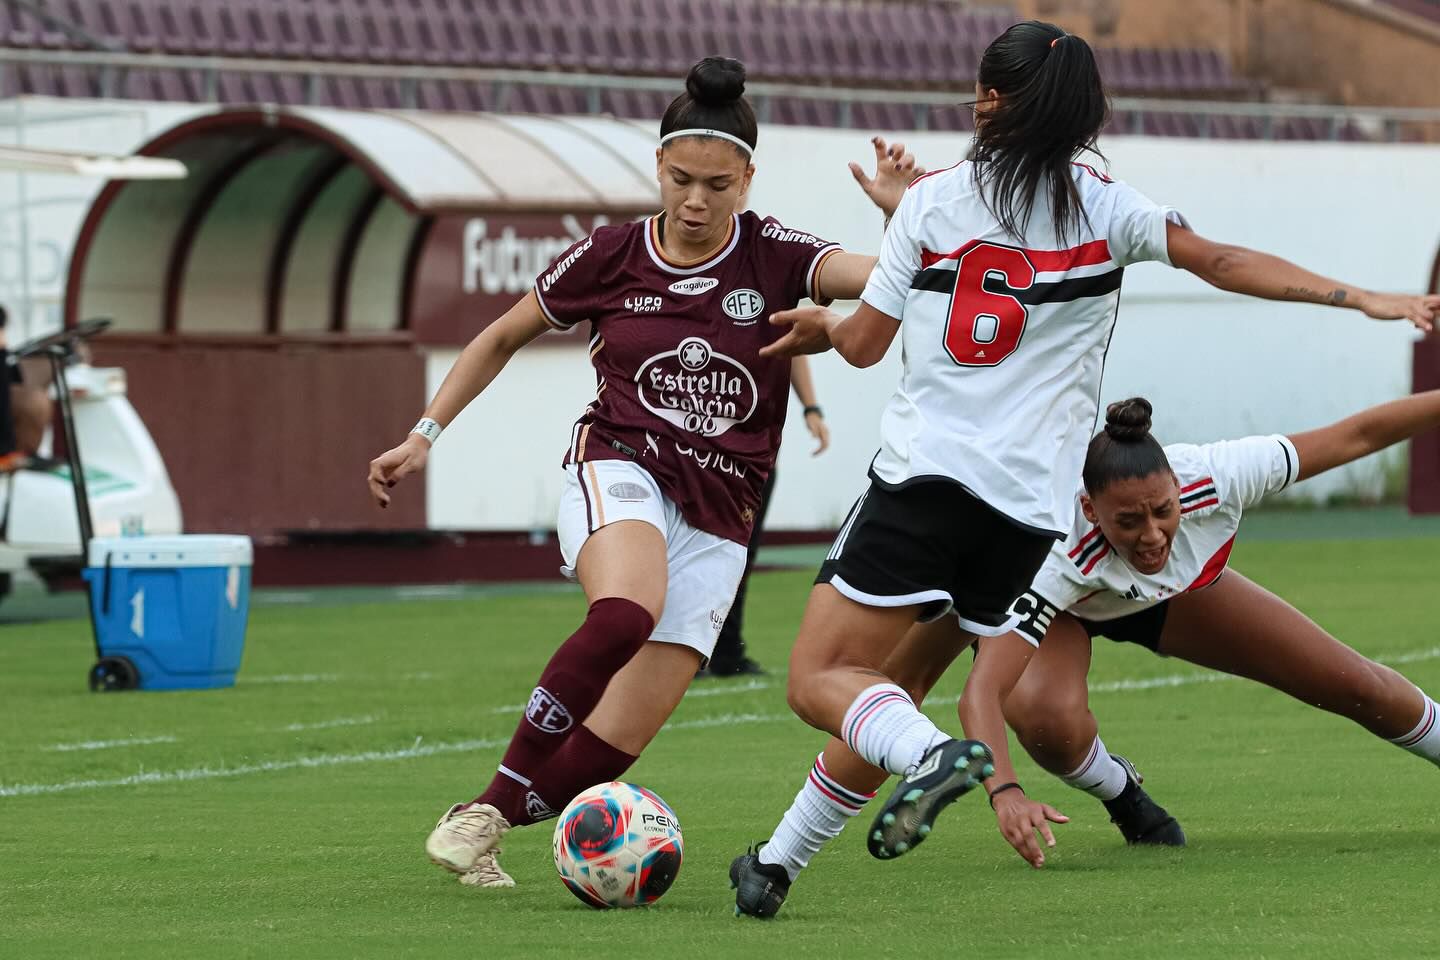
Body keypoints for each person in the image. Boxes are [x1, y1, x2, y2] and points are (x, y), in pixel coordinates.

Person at [731, 18, 1440, 917]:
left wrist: (830, 326)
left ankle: (921, 766)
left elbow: (868, 346)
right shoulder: (1104, 206)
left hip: (930, 486)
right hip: (1037, 519)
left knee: (835, 683)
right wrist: (1362, 298)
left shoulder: (929, 203)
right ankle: (777, 864)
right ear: (1085, 116)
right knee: (967, 701)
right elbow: (1221, 261)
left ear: (986, 101)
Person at [366, 57, 921, 889]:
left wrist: (902, 219)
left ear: (748, 179)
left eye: (718, 185)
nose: (697, 202)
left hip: (722, 515)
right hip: (620, 464)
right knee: (626, 610)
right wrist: (423, 434)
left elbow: (892, 281)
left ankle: (480, 819)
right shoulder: (611, 254)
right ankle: (487, 813)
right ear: (658, 167)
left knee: (614, 742)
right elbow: (498, 337)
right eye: (682, 179)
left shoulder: (774, 252)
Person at [702, 356, 829, 677]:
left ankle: (726, 654)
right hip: (701, 449)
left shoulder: (772, 309)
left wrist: (811, 407)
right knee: (694, 552)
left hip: (757, 456)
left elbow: (794, 346)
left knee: (741, 554)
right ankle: (687, 651)